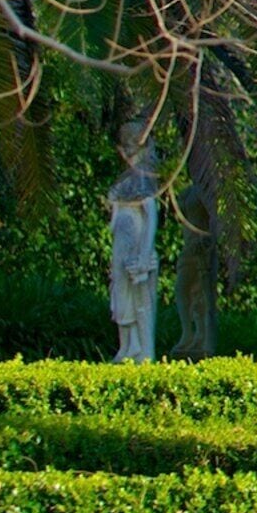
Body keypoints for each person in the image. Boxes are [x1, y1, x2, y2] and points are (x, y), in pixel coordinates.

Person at [106, 116, 162, 364]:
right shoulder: (126, 179)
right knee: (120, 295)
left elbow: (151, 216)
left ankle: (142, 351)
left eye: (132, 146)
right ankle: (127, 346)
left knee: (140, 302)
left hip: (137, 248)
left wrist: (143, 252)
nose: (127, 152)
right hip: (122, 247)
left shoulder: (144, 177)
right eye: (124, 147)